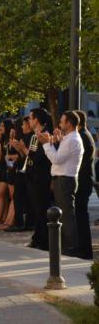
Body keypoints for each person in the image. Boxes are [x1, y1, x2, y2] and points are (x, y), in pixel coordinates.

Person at [37, 111, 83, 256]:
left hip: (65, 180)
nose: (59, 124)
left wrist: (46, 144)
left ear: (69, 123)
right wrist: (54, 141)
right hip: (61, 179)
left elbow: (57, 159)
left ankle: (70, 249)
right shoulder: (68, 138)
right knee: (62, 216)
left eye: (62, 121)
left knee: (66, 217)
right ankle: (65, 248)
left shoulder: (72, 140)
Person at [25, 108, 53, 251]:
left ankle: (44, 241)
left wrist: (25, 152)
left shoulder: (46, 134)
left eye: (30, 118)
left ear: (36, 120)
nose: (29, 121)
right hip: (33, 176)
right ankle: (37, 238)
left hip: (42, 178)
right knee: (36, 210)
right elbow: (31, 156)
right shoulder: (34, 136)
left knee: (42, 209)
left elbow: (41, 158)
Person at [74, 110, 95, 259]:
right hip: (82, 180)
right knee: (79, 215)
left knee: (81, 216)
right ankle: (81, 247)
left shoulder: (84, 137)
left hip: (83, 181)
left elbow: (81, 163)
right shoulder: (82, 135)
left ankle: (85, 250)